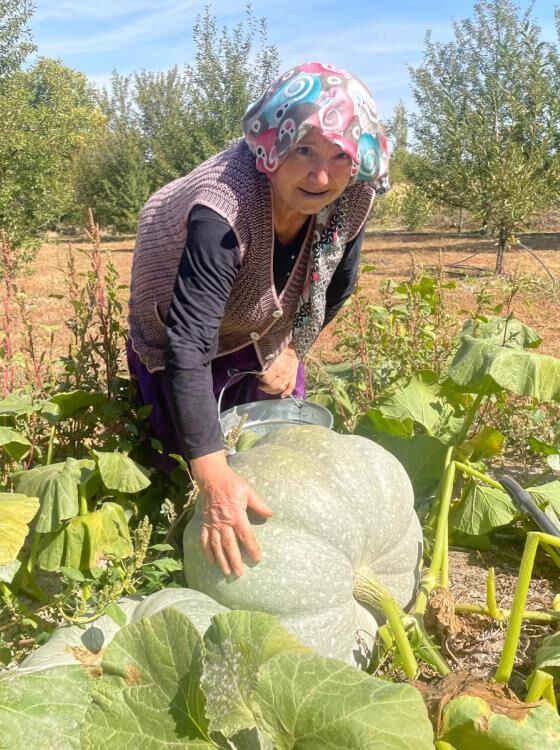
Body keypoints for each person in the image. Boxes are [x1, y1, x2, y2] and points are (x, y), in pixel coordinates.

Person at [126, 62, 390, 579]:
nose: (321, 176)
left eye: (340, 155)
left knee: (279, 445)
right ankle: (170, 553)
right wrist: (211, 475)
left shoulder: (353, 192)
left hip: (263, 325)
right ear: (272, 144)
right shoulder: (224, 207)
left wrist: (294, 348)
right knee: (184, 462)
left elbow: (337, 283)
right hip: (177, 325)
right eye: (305, 150)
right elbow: (189, 342)